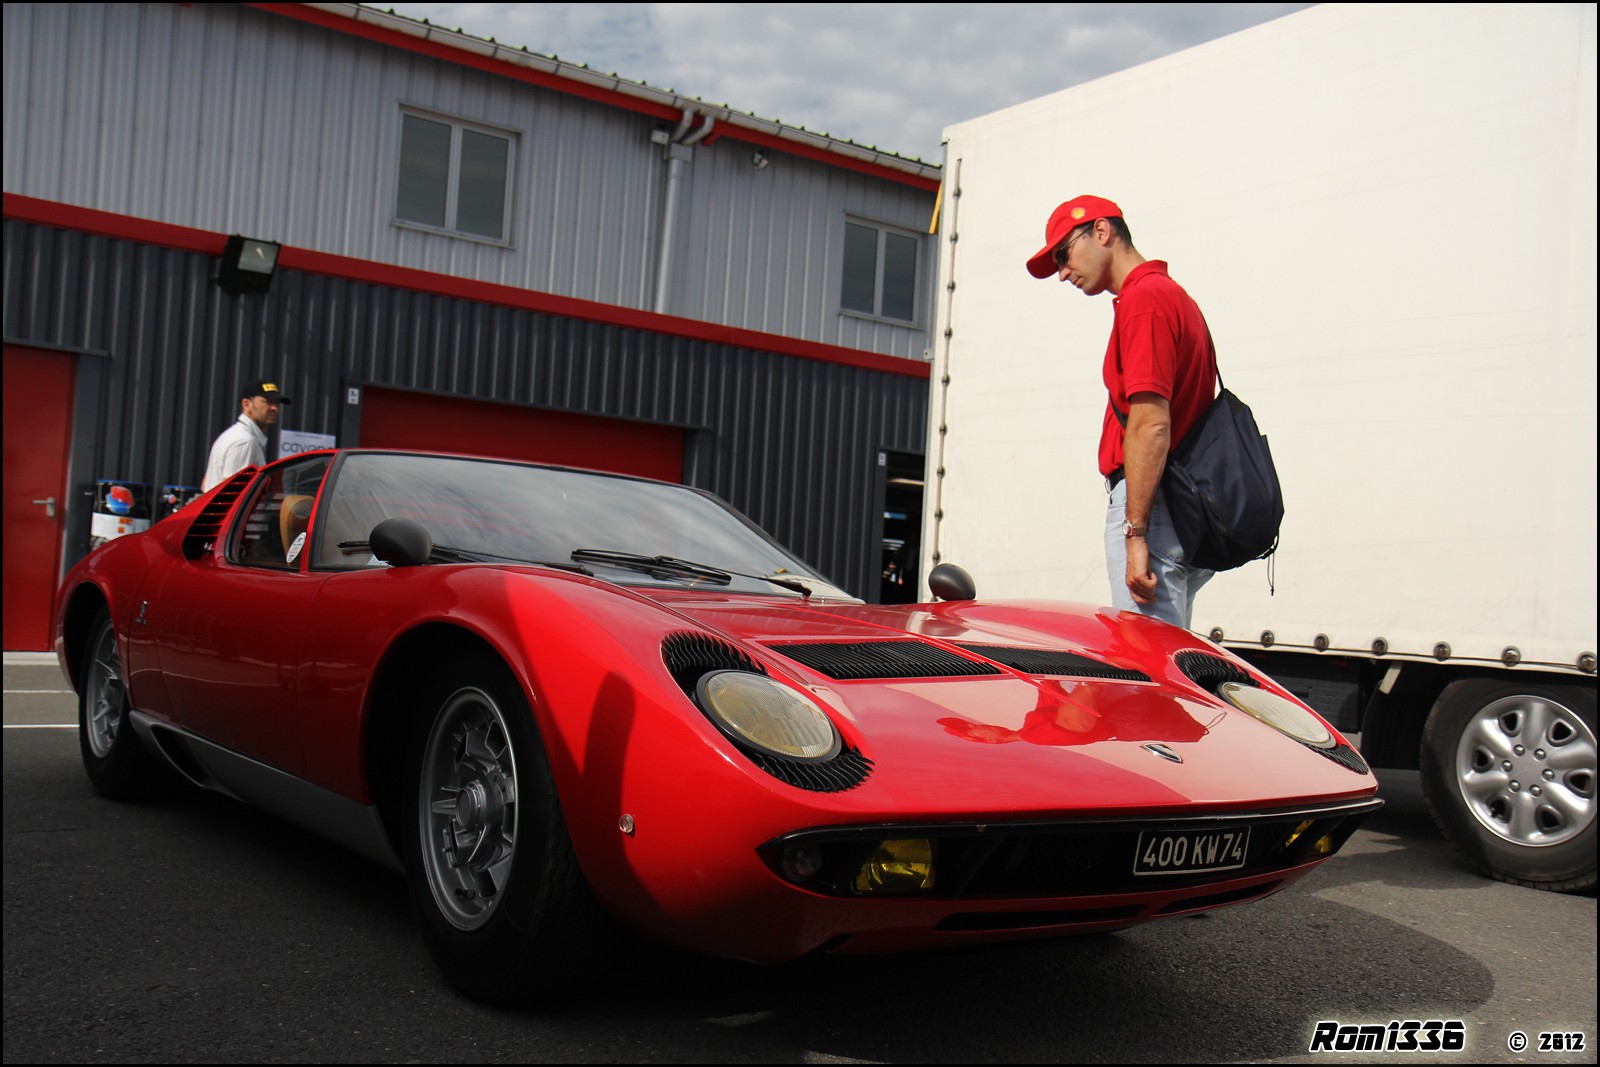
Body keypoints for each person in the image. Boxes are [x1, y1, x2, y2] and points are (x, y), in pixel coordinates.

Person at [1026, 195, 1216, 629]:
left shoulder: (1144, 301)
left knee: (1147, 671)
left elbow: (1150, 425)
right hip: (1174, 503)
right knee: (1164, 663)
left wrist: (1135, 533)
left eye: (1063, 254)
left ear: (1101, 231)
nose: (1062, 273)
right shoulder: (1172, 296)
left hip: (1154, 506)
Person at [202, 378, 290, 490]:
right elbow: (231, 492)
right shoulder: (245, 440)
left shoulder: (235, 434)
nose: (274, 408)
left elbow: (205, 484)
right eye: (267, 401)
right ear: (246, 404)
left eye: (277, 403)